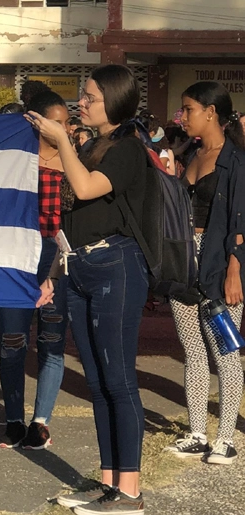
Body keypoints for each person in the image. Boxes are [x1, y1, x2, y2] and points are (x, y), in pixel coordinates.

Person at [28, 64, 149, 514]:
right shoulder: (93, 144)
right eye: (83, 93)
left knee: (119, 381)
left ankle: (130, 493)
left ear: (114, 101)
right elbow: (70, 215)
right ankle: (108, 483)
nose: (82, 101)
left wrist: (61, 140)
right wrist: (54, 274)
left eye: (91, 96)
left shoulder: (127, 149)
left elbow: (84, 185)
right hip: (78, 266)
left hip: (116, 265)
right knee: (97, 383)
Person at [164, 81, 245, 466]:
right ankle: (198, 432)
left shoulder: (237, 160)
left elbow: (241, 219)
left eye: (189, 109)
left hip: (218, 261)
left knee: (225, 353)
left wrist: (236, 268)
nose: (183, 117)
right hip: (185, 263)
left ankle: (225, 439)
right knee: (193, 352)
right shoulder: (193, 153)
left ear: (211, 112)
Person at [0, 91, 69, 451]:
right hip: (15, 257)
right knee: (12, 342)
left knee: (51, 343)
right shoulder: (12, 160)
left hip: (57, 259)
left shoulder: (75, 162)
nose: (63, 128)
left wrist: (54, 272)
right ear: (35, 120)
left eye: (67, 122)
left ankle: (41, 421)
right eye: (56, 121)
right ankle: (13, 421)